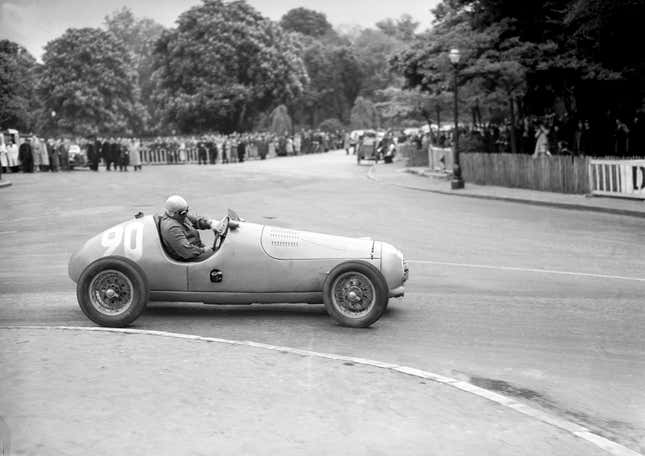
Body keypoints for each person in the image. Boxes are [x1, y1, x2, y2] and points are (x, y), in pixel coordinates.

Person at [159, 195, 227, 262]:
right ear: (171, 213)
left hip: (196, 250)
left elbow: (197, 221)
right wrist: (204, 250)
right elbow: (186, 251)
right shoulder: (172, 228)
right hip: (189, 258)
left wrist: (212, 224)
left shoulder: (180, 216)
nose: (186, 214)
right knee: (224, 256)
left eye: (187, 210)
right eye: (183, 213)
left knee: (222, 251)